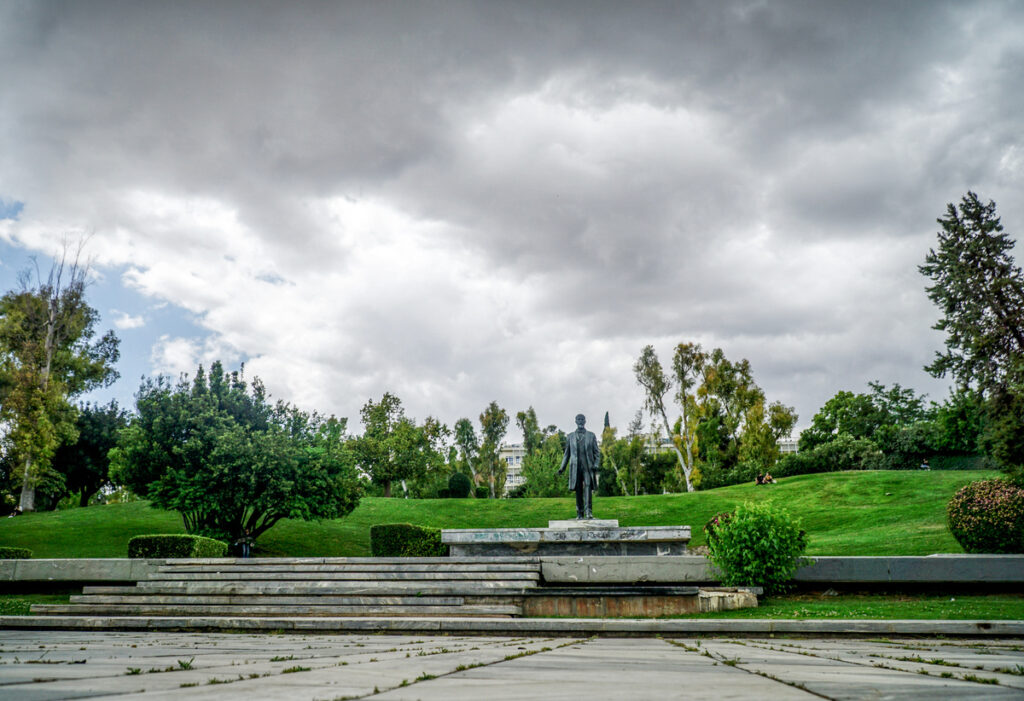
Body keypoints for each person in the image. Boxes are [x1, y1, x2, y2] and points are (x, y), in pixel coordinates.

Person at [557, 413, 600, 519]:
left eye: (582, 419)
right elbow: (566, 454)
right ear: (576, 421)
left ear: (585, 421)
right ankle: (579, 513)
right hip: (575, 467)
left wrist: (596, 464)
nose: (580, 421)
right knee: (578, 490)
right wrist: (562, 467)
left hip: (588, 467)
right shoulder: (570, 437)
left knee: (588, 487)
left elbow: (597, 452)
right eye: (578, 419)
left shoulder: (591, 435)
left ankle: (588, 512)